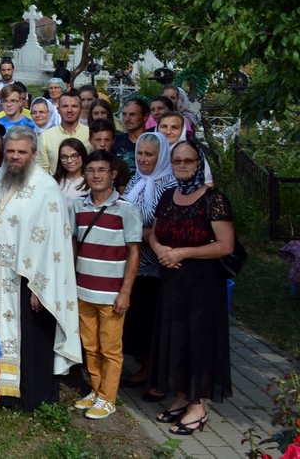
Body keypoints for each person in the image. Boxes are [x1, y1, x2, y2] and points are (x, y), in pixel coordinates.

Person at [0, 126, 81, 411]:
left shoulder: (46, 187)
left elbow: (53, 244)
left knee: (28, 338)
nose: (15, 157)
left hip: (26, 279)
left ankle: (29, 394)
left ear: (33, 154)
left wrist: (42, 287)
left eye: (21, 152)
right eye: (11, 151)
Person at [147, 138, 235, 437]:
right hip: (172, 281)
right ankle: (181, 396)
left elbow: (225, 245)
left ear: (199, 163)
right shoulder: (169, 195)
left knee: (199, 341)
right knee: (176, 338)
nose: (182, 166)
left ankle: (198, 407)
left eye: (188, 161)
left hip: (203, 284)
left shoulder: (214, 198)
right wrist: (159, 248)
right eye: (177, 161)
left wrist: (182, 253)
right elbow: (155, 233)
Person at [71, 150, 141, 420]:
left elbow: (134, 251)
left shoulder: (126, 209)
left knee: (110, 348)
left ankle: (108, 397)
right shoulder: (78, 206)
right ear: (85, 174)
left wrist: (125, 292)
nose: (96, 175)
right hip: (83, 289)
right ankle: (96, 389)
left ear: (113, 174)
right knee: (90, 345)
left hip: (111, 294)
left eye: (102, 170)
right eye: (91, 170)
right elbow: (75, 245)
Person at [121, 131, 174, 390]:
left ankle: (155, 373)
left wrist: (138, 233)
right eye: (140, 153)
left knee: (152, 319)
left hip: (156, 265)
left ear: (161, 155)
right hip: (133, 262)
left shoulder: (169, 185)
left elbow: (164, 228)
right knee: (138, 319)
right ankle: (145, 367)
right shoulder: (136, 180)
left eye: (149, 154)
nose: (143, 159)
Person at [36, 90, 90, 172]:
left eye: (74, 106)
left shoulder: (90, 134)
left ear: (80, 109)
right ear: (58, 109)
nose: (69, 110)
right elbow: (43, 171)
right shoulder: (45, 137)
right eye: (65, 106)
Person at [53, 138, 89, 202]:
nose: (69, 161)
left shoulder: (91, 181)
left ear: (82, 155)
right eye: (64, 157)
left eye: (74, 156)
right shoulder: (53, 181)